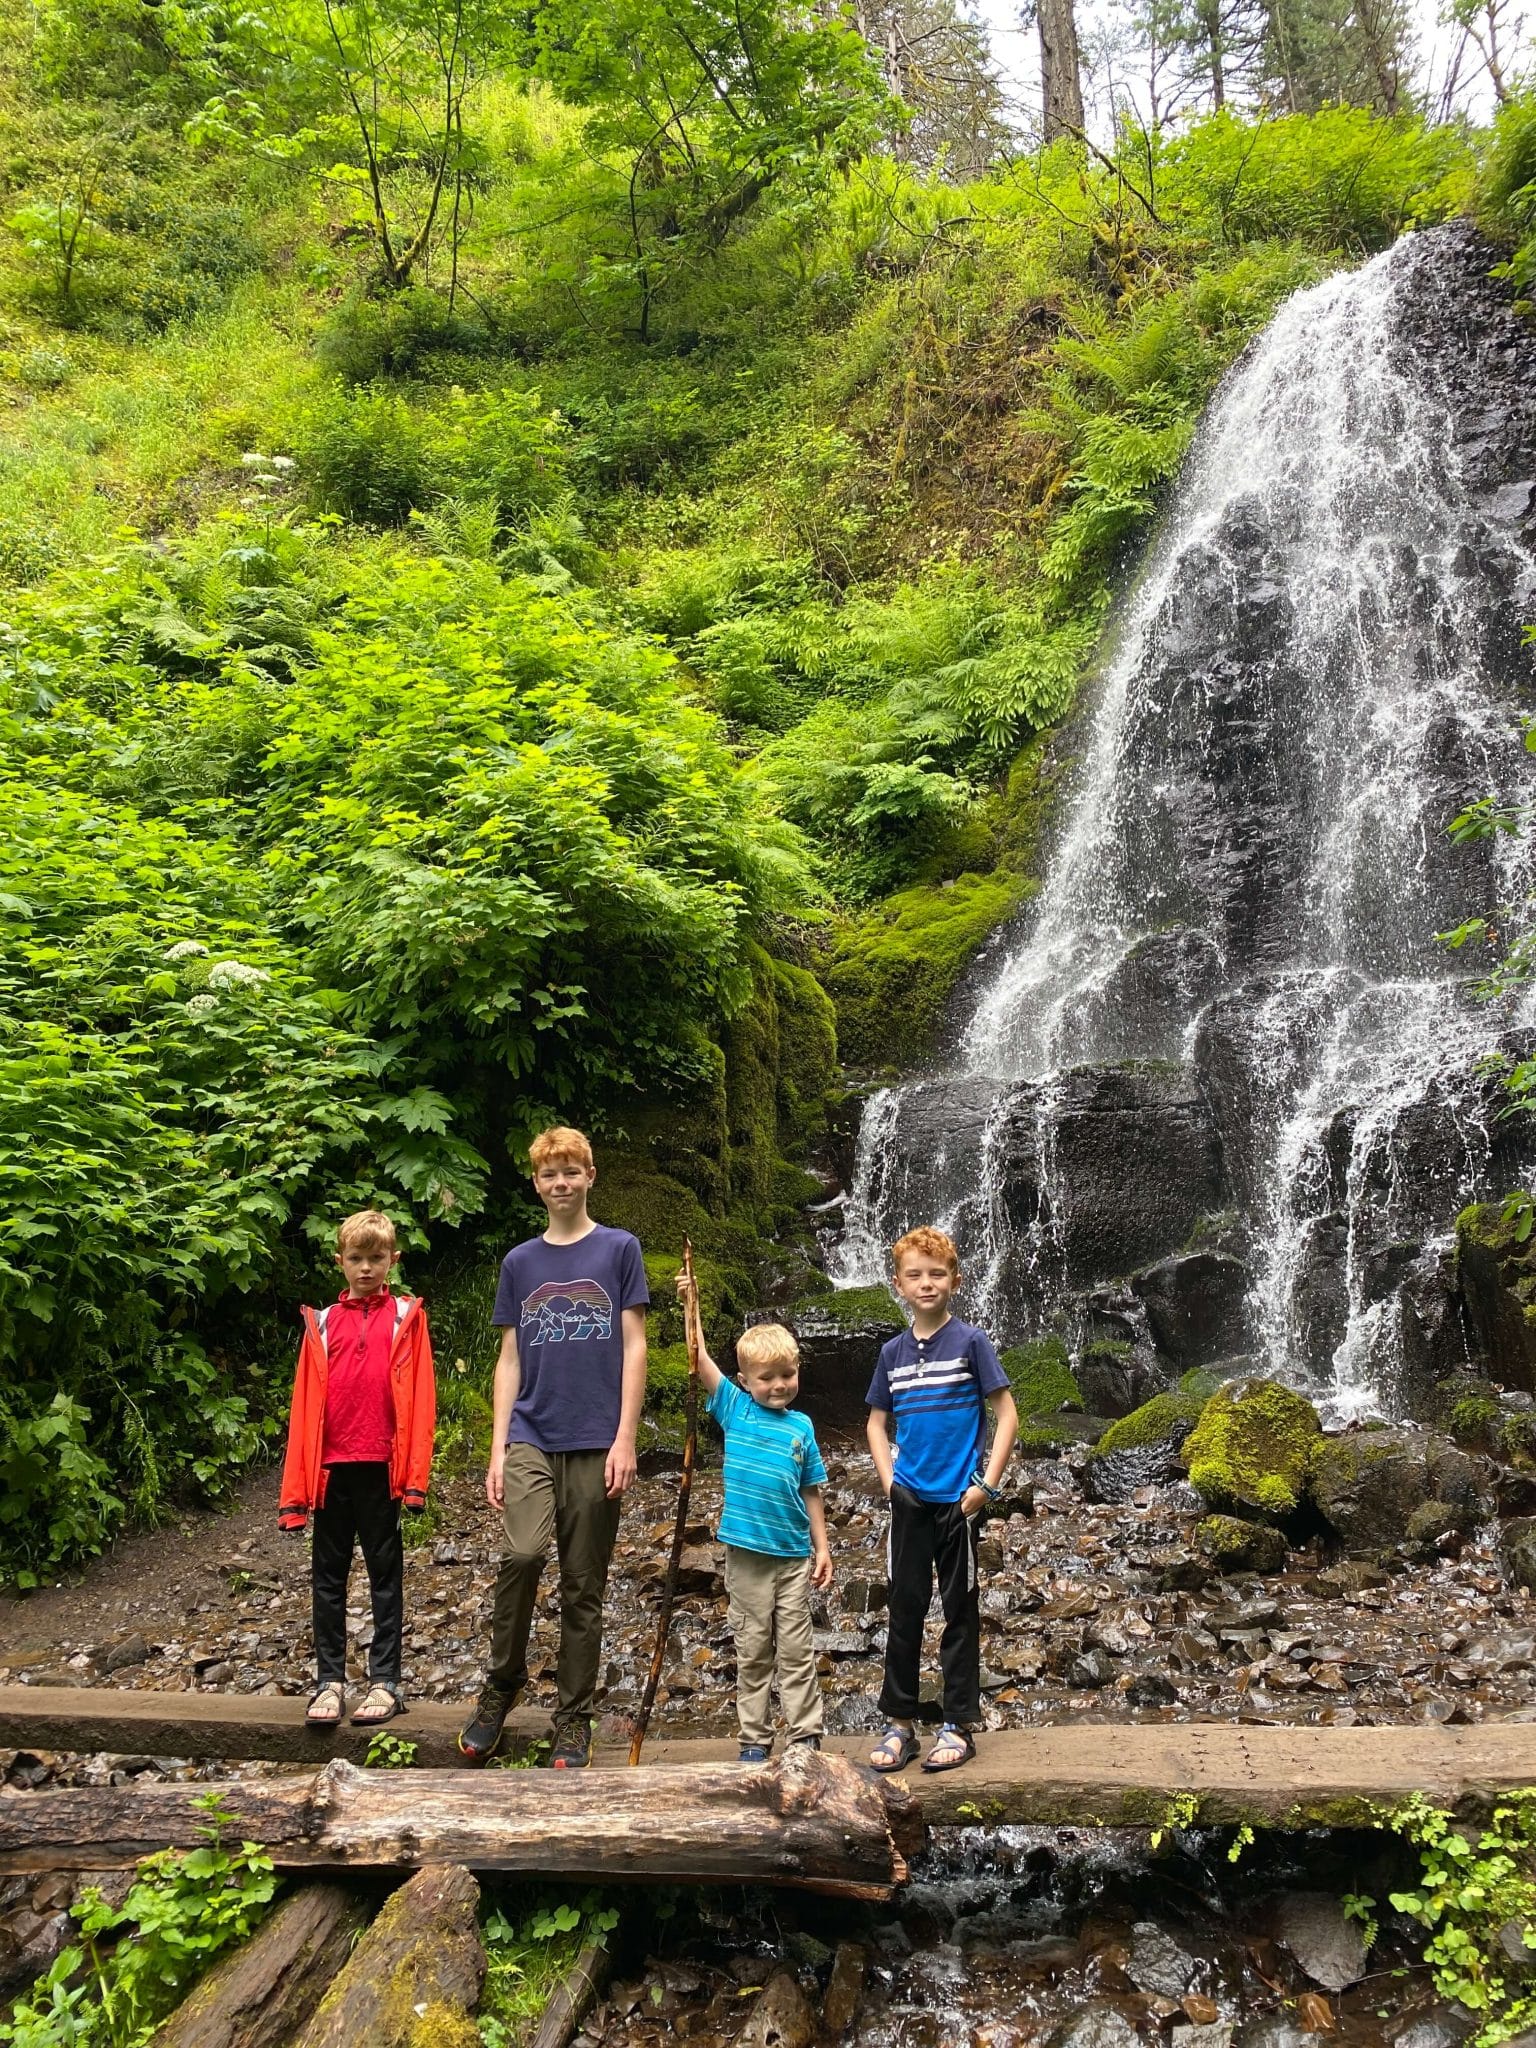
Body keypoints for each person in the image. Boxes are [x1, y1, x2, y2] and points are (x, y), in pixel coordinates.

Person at [458, 1127, 648, 1768]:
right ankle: (502, 1684)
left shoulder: (621, 1249)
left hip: (598, 1436)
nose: (561, 1183)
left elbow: (633, 1346)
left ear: (590, 1175)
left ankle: (573, 1718)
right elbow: (508, 1358)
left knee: (583, 1583)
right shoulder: (520, 1263)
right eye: (549, 1174)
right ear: (536, 1184)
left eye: (571, 1171)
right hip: (532, 1432)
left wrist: (626, 1436)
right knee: (521, 1553)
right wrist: (497, 1447)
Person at [865, 1224, 1018, 1775]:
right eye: (915, 1275)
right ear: (898, 1285)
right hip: (909, 1500)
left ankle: (957, 1724)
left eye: (936, 1274)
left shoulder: (971, 1342)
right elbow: (876, 1423)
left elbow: (1007, 1415)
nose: (926, 1283)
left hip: (958, 1502)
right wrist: (889, 1483)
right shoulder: (891, 1353)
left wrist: (985, 1488)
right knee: (904, 1609)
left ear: (954, 1280)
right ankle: (899, 1725)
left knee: (959, 1611)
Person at [278, 1209, 436, 1728]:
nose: (365, 1268)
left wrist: (415, 1479)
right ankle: (329, 1682)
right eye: (355, 1258)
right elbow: (304, 1405)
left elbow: (421, 1401)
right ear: (339, 1262)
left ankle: (385, 1680)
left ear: (393, 1259)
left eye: (375, 1258)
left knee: (384, 1575)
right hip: (330, 1469)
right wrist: (296, 1490)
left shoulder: (406, 1318)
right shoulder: (321, 1323)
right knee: (328, 1577)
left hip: (381, 1468)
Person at [676, 1273, 833, 1761]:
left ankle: (805, 1733)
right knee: (752, 1650)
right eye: (766, 1378)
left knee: (796, 1650)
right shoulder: (735, 1410)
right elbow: (698, 1359)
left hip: (791, 1555)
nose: (778, 1385)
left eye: (787, 1374)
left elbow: (811, 1489)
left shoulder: (802, 1427)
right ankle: (754, 1739)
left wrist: (822, 1546)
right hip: (745, 1555)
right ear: (745, 1382)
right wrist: (690, 1303)